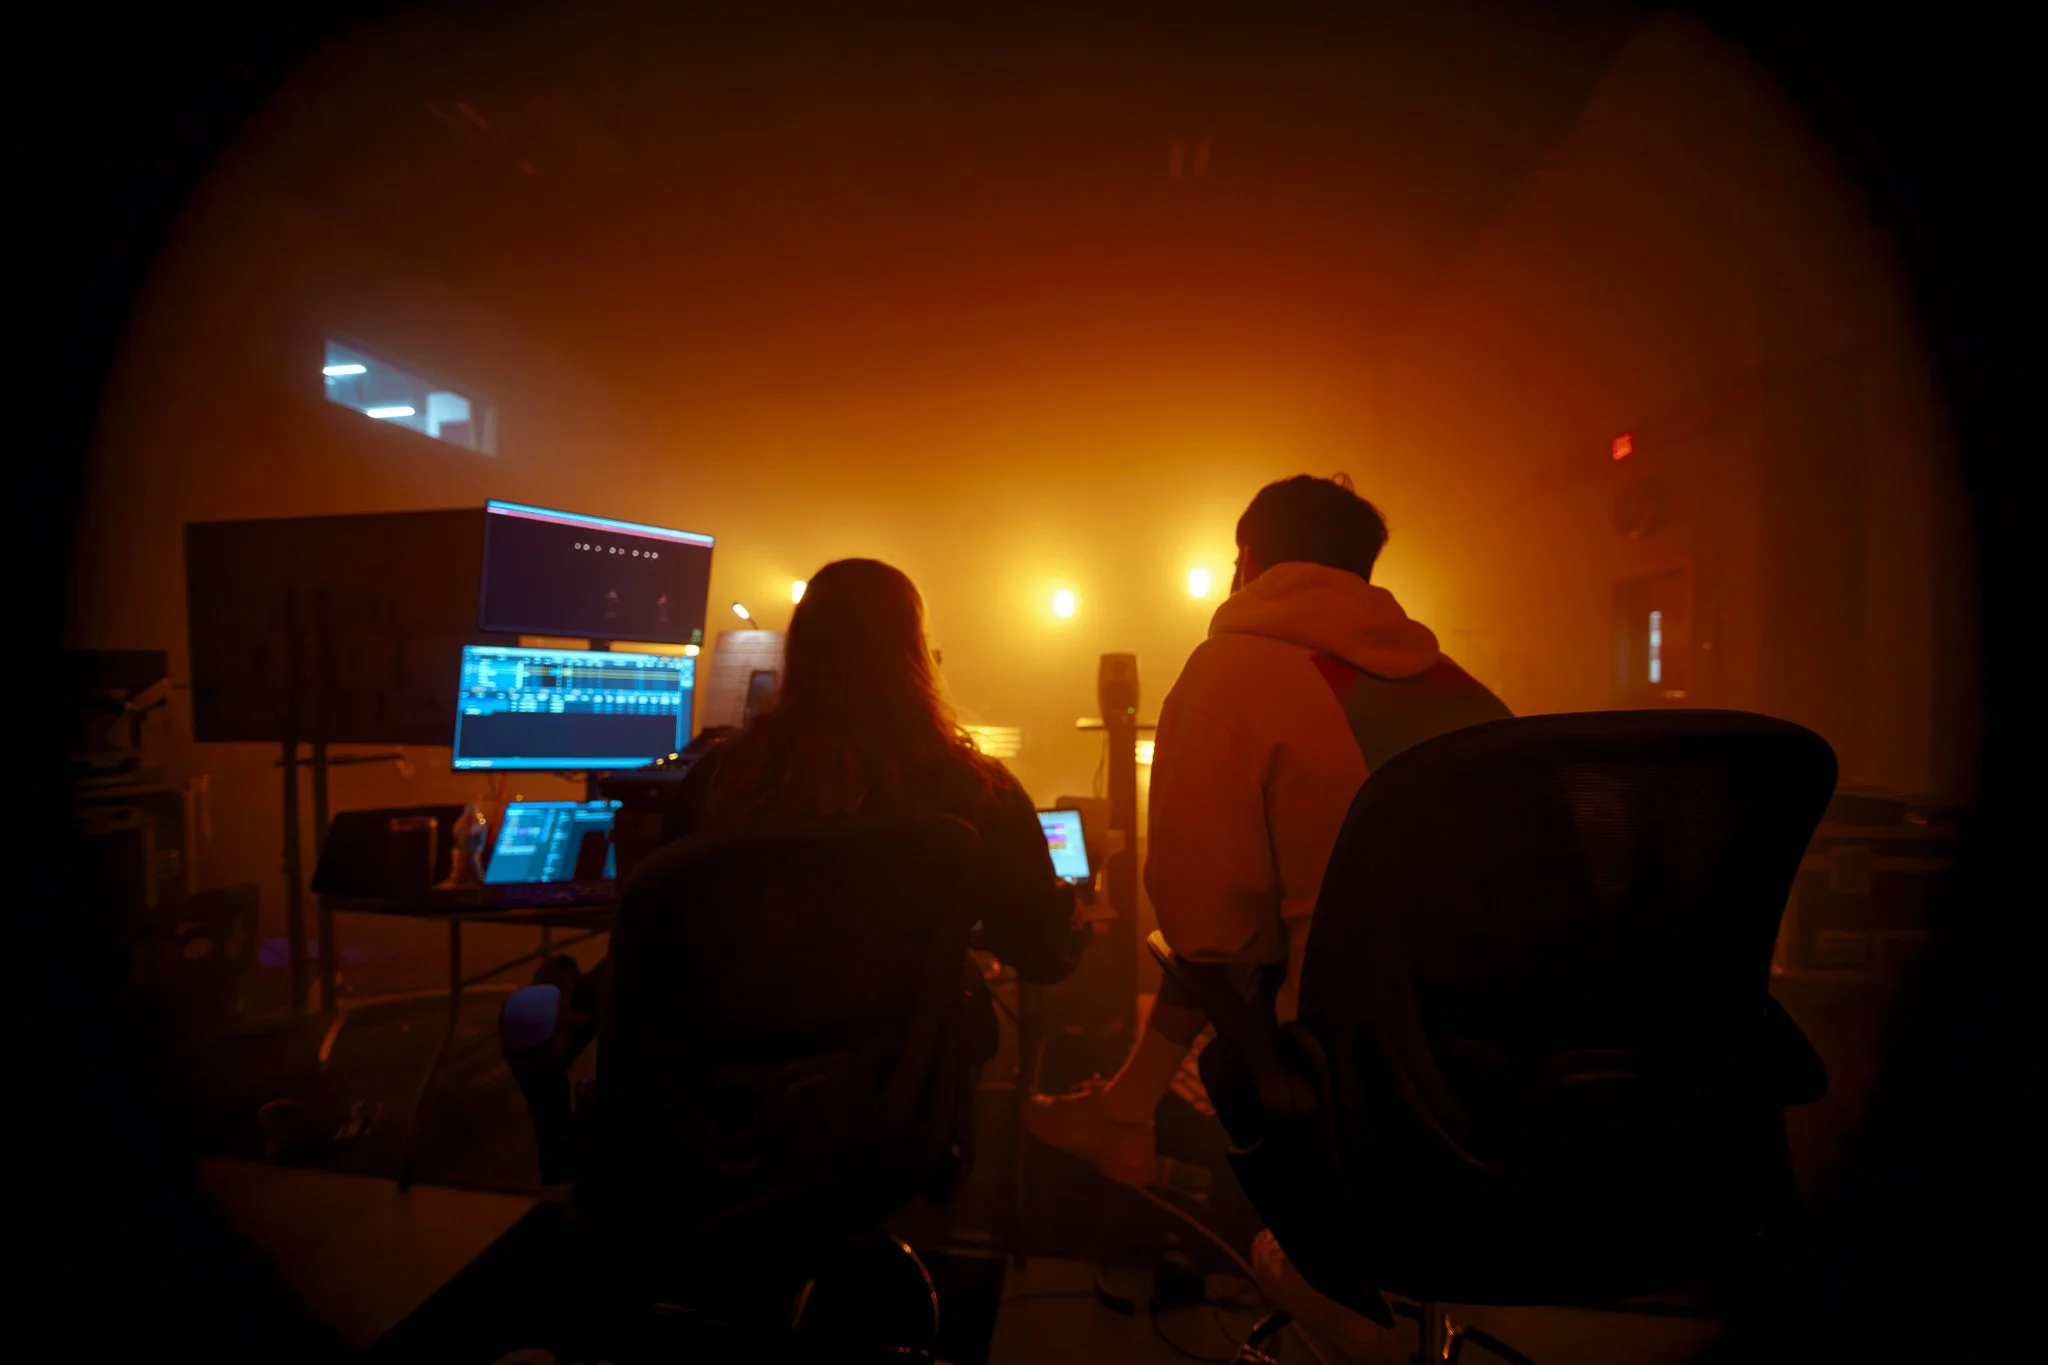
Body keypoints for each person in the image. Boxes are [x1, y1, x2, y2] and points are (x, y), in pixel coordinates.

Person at [1025, 475, 1511, 1183]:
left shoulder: (1228, 671)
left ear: (1248, 561)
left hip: (1342, 1073)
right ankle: (1125, 1110)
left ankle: (1127, 1115)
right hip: (1502, 1067)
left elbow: (1204, 929)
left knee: (1215, 928)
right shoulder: (1465, 691)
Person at [533, 557, 1080, 1079]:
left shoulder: (721, 781)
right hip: (896, 1104)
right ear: (916, 656)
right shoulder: (978, 790)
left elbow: (661, 934)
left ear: (799, 653)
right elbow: (1040, 955)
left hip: (724, 1098)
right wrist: (1066, 917)